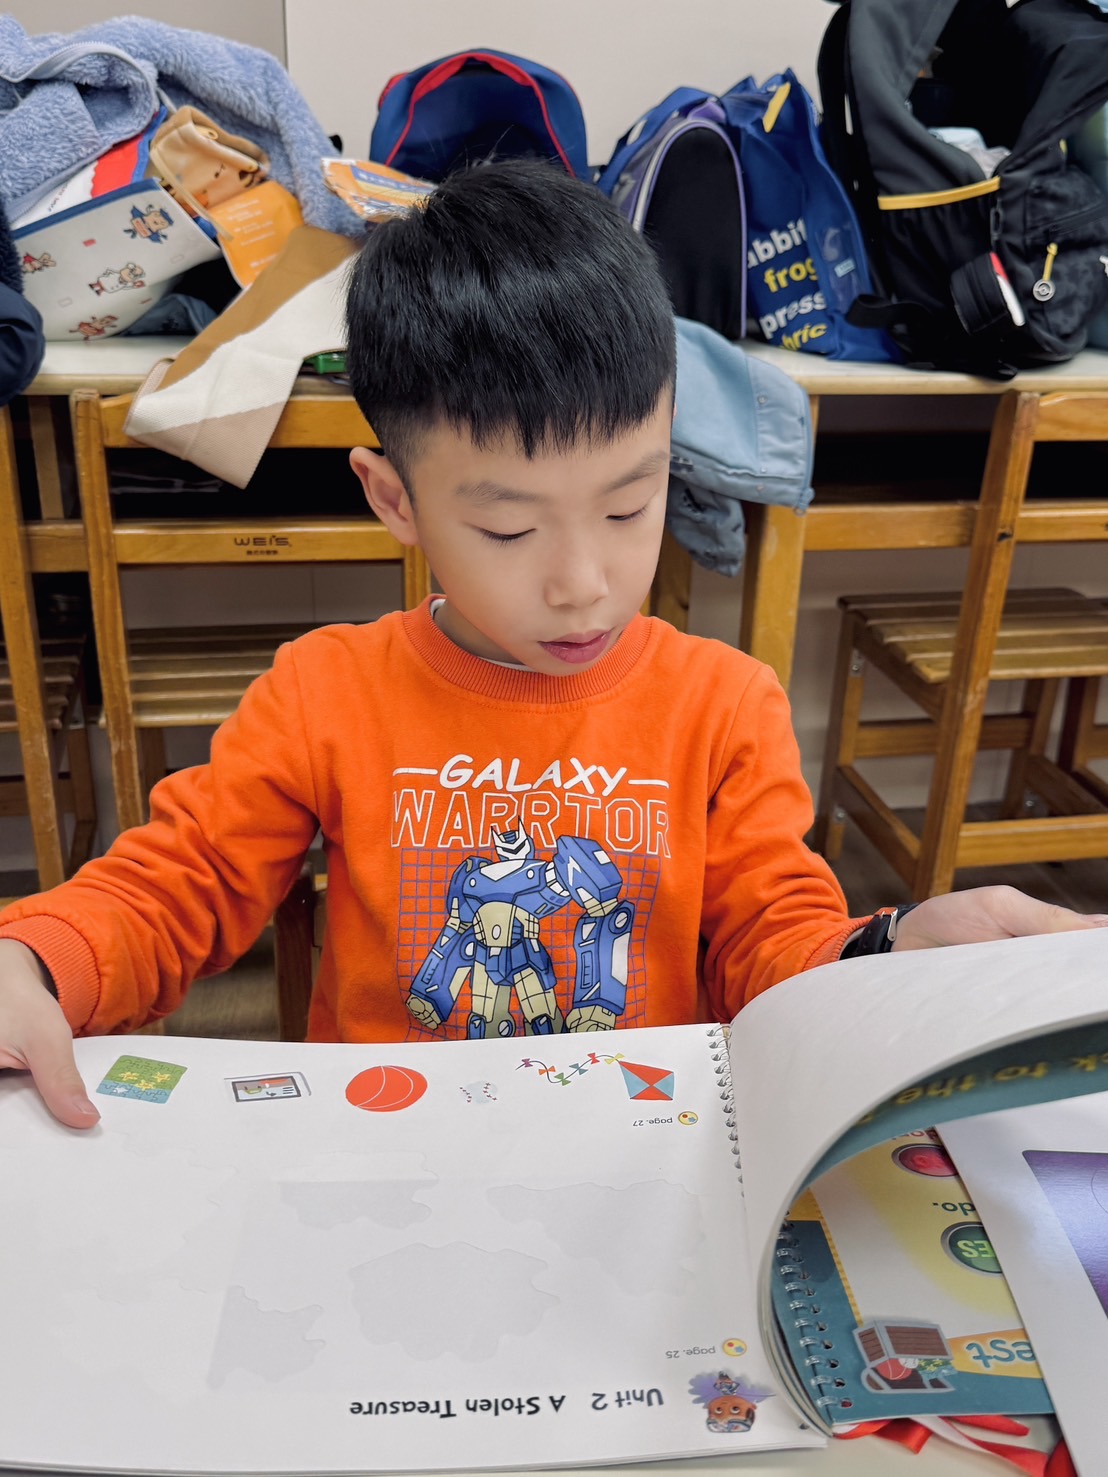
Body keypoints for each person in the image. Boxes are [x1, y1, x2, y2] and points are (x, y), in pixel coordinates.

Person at [0, 161, 1102, 1131]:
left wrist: (883, 953)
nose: (585, 583)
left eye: (630, 506)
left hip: (640, 1150)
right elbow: (175, 888)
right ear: (393, 499)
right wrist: (34, 960)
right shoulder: (324, 694)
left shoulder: (723, 705)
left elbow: (772, 944)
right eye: (509, 530)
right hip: (388, 1146)